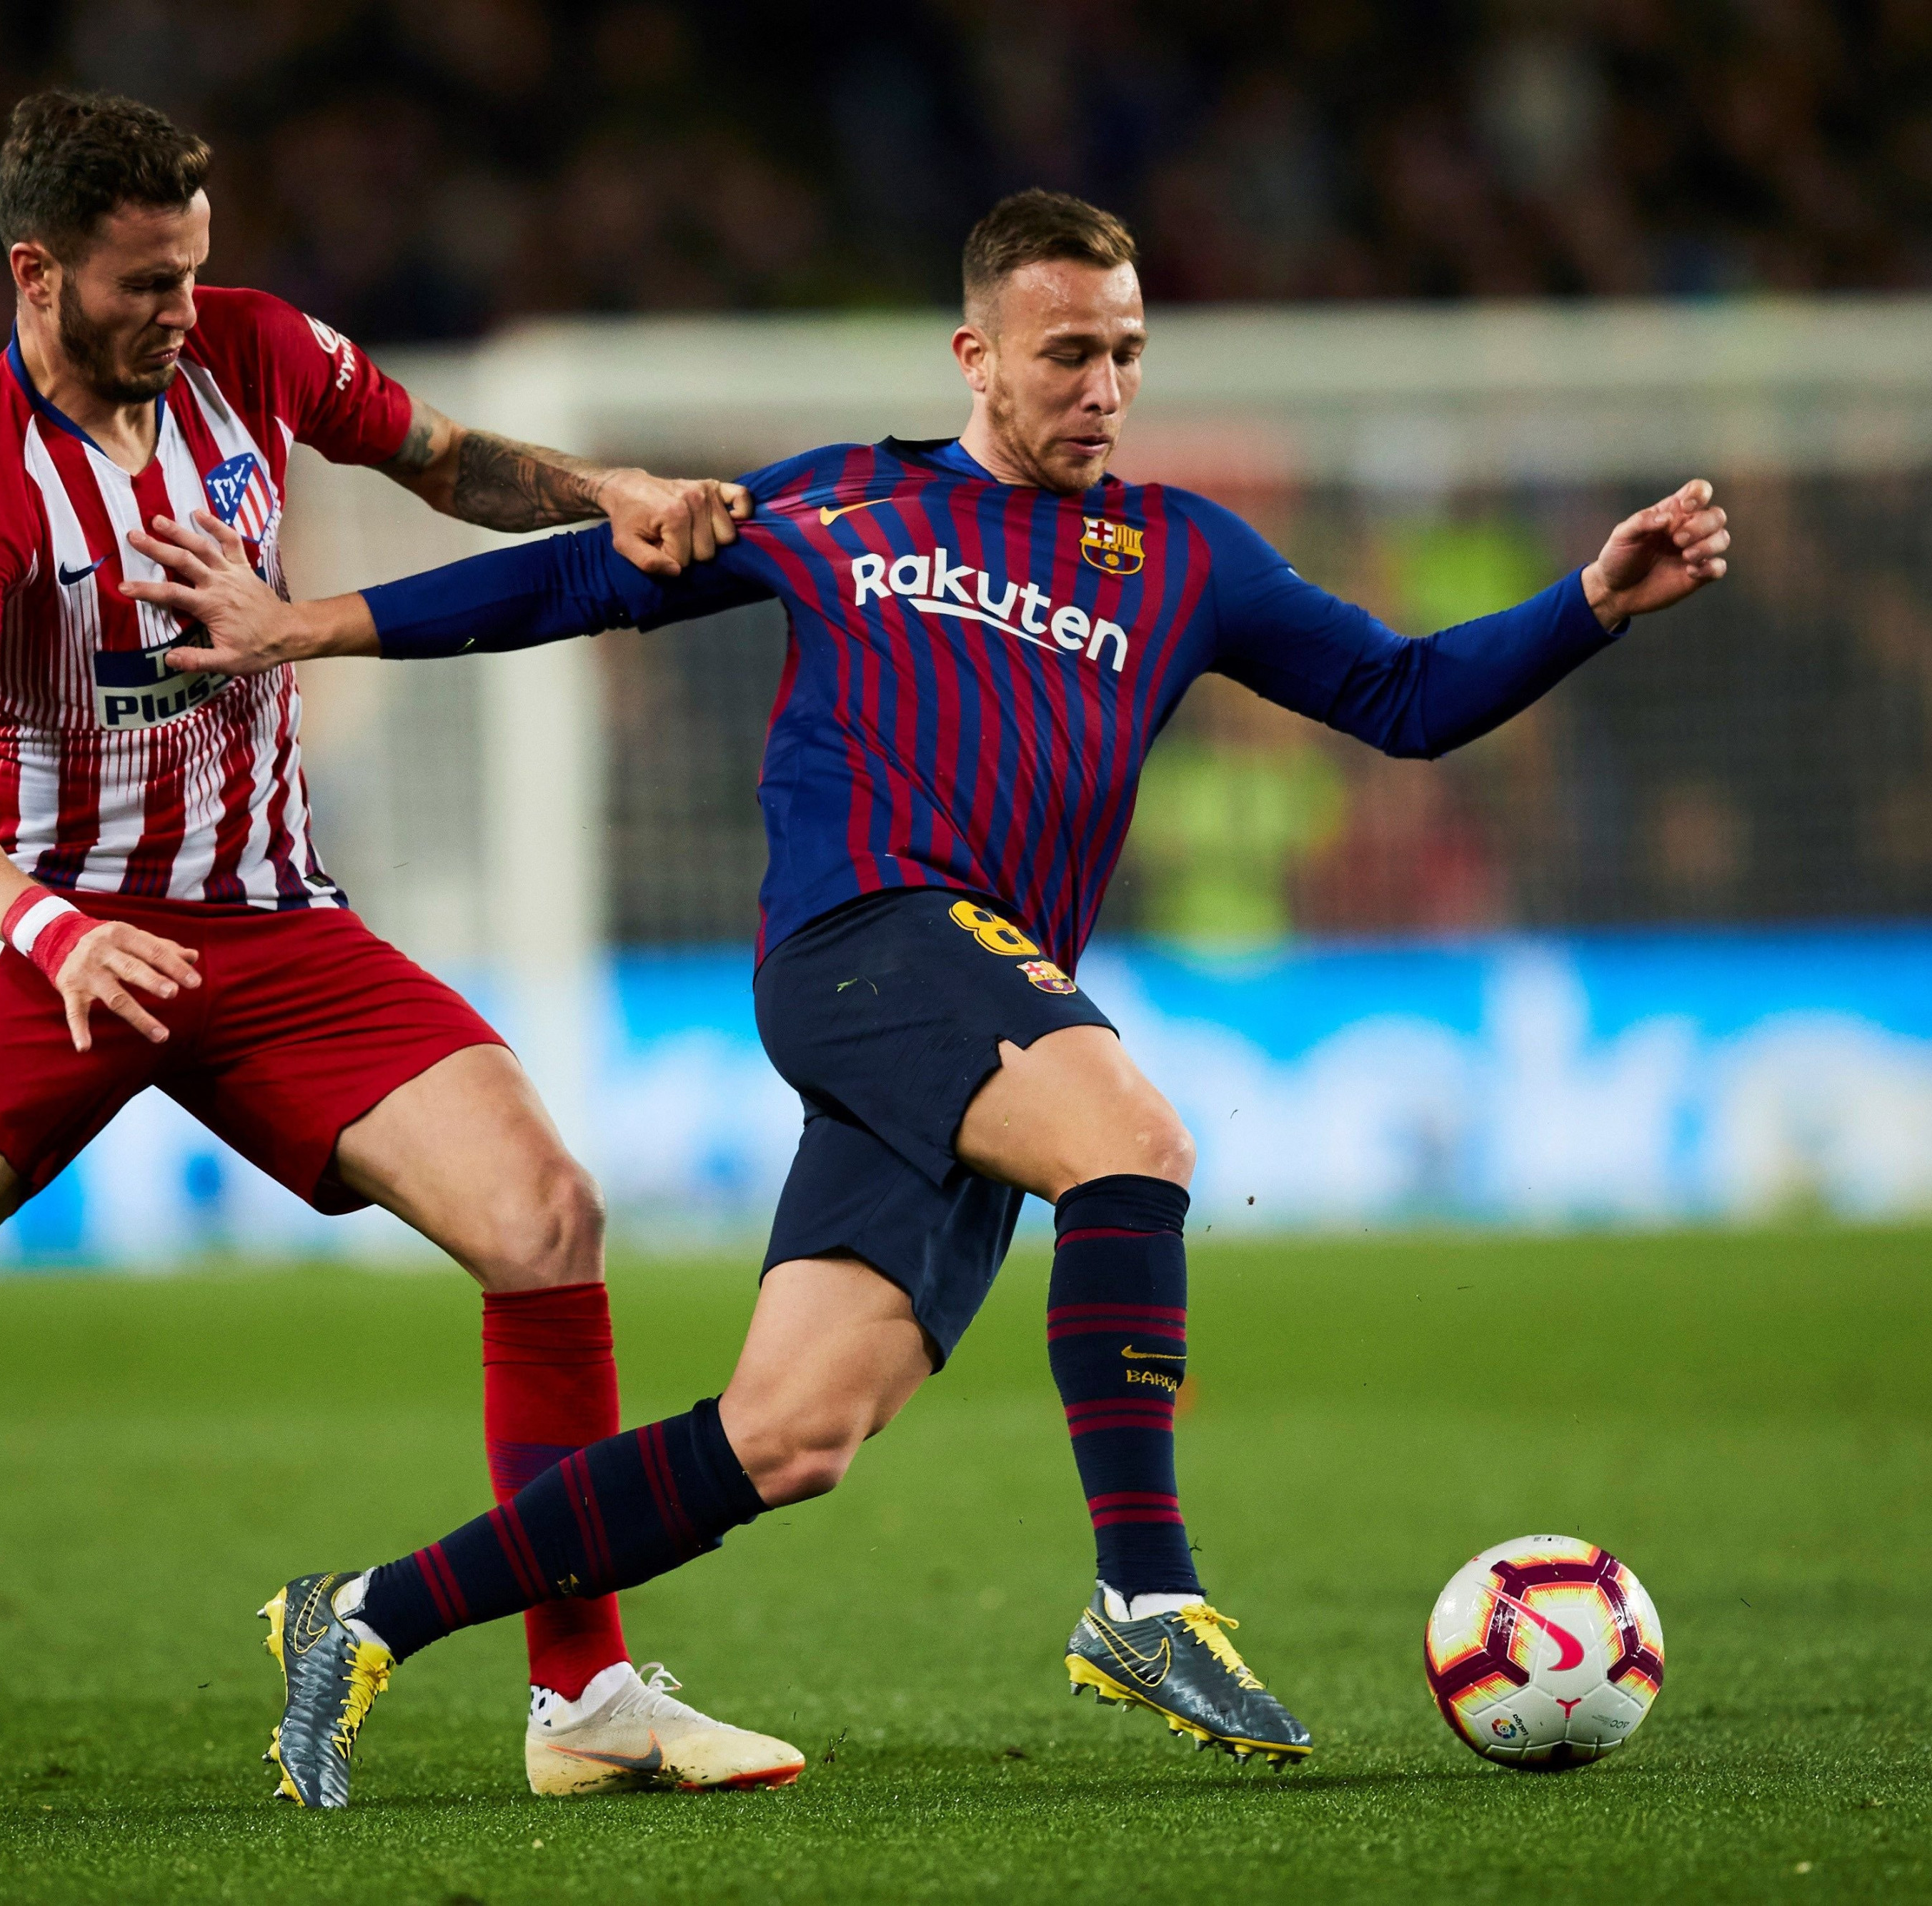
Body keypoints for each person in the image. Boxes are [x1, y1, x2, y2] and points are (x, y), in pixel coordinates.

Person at [119, 189, 1733, 1807]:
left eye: (1124, 355)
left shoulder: (1186, 558)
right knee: (1133, 1140)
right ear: (974, 353)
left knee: (789, 1429)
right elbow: (580, 585)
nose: (1100, 389)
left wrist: (1584, 603)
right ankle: (1144, 1594)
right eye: (1064, 355)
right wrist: (301, 627)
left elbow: (1403, 697)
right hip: (860, 939)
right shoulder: (837, 504)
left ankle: (361, 1612)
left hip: (976, 994)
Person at [0, 89, 802, 1831]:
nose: (181, 309)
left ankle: (584, 1692)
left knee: (544, 1216)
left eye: (193, 268)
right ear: (36, 273)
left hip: (273, 922)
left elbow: (442, 460)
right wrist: (50, 928)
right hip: (56, 934)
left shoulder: (252, 350)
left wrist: (608, 492)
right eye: (142, 282)